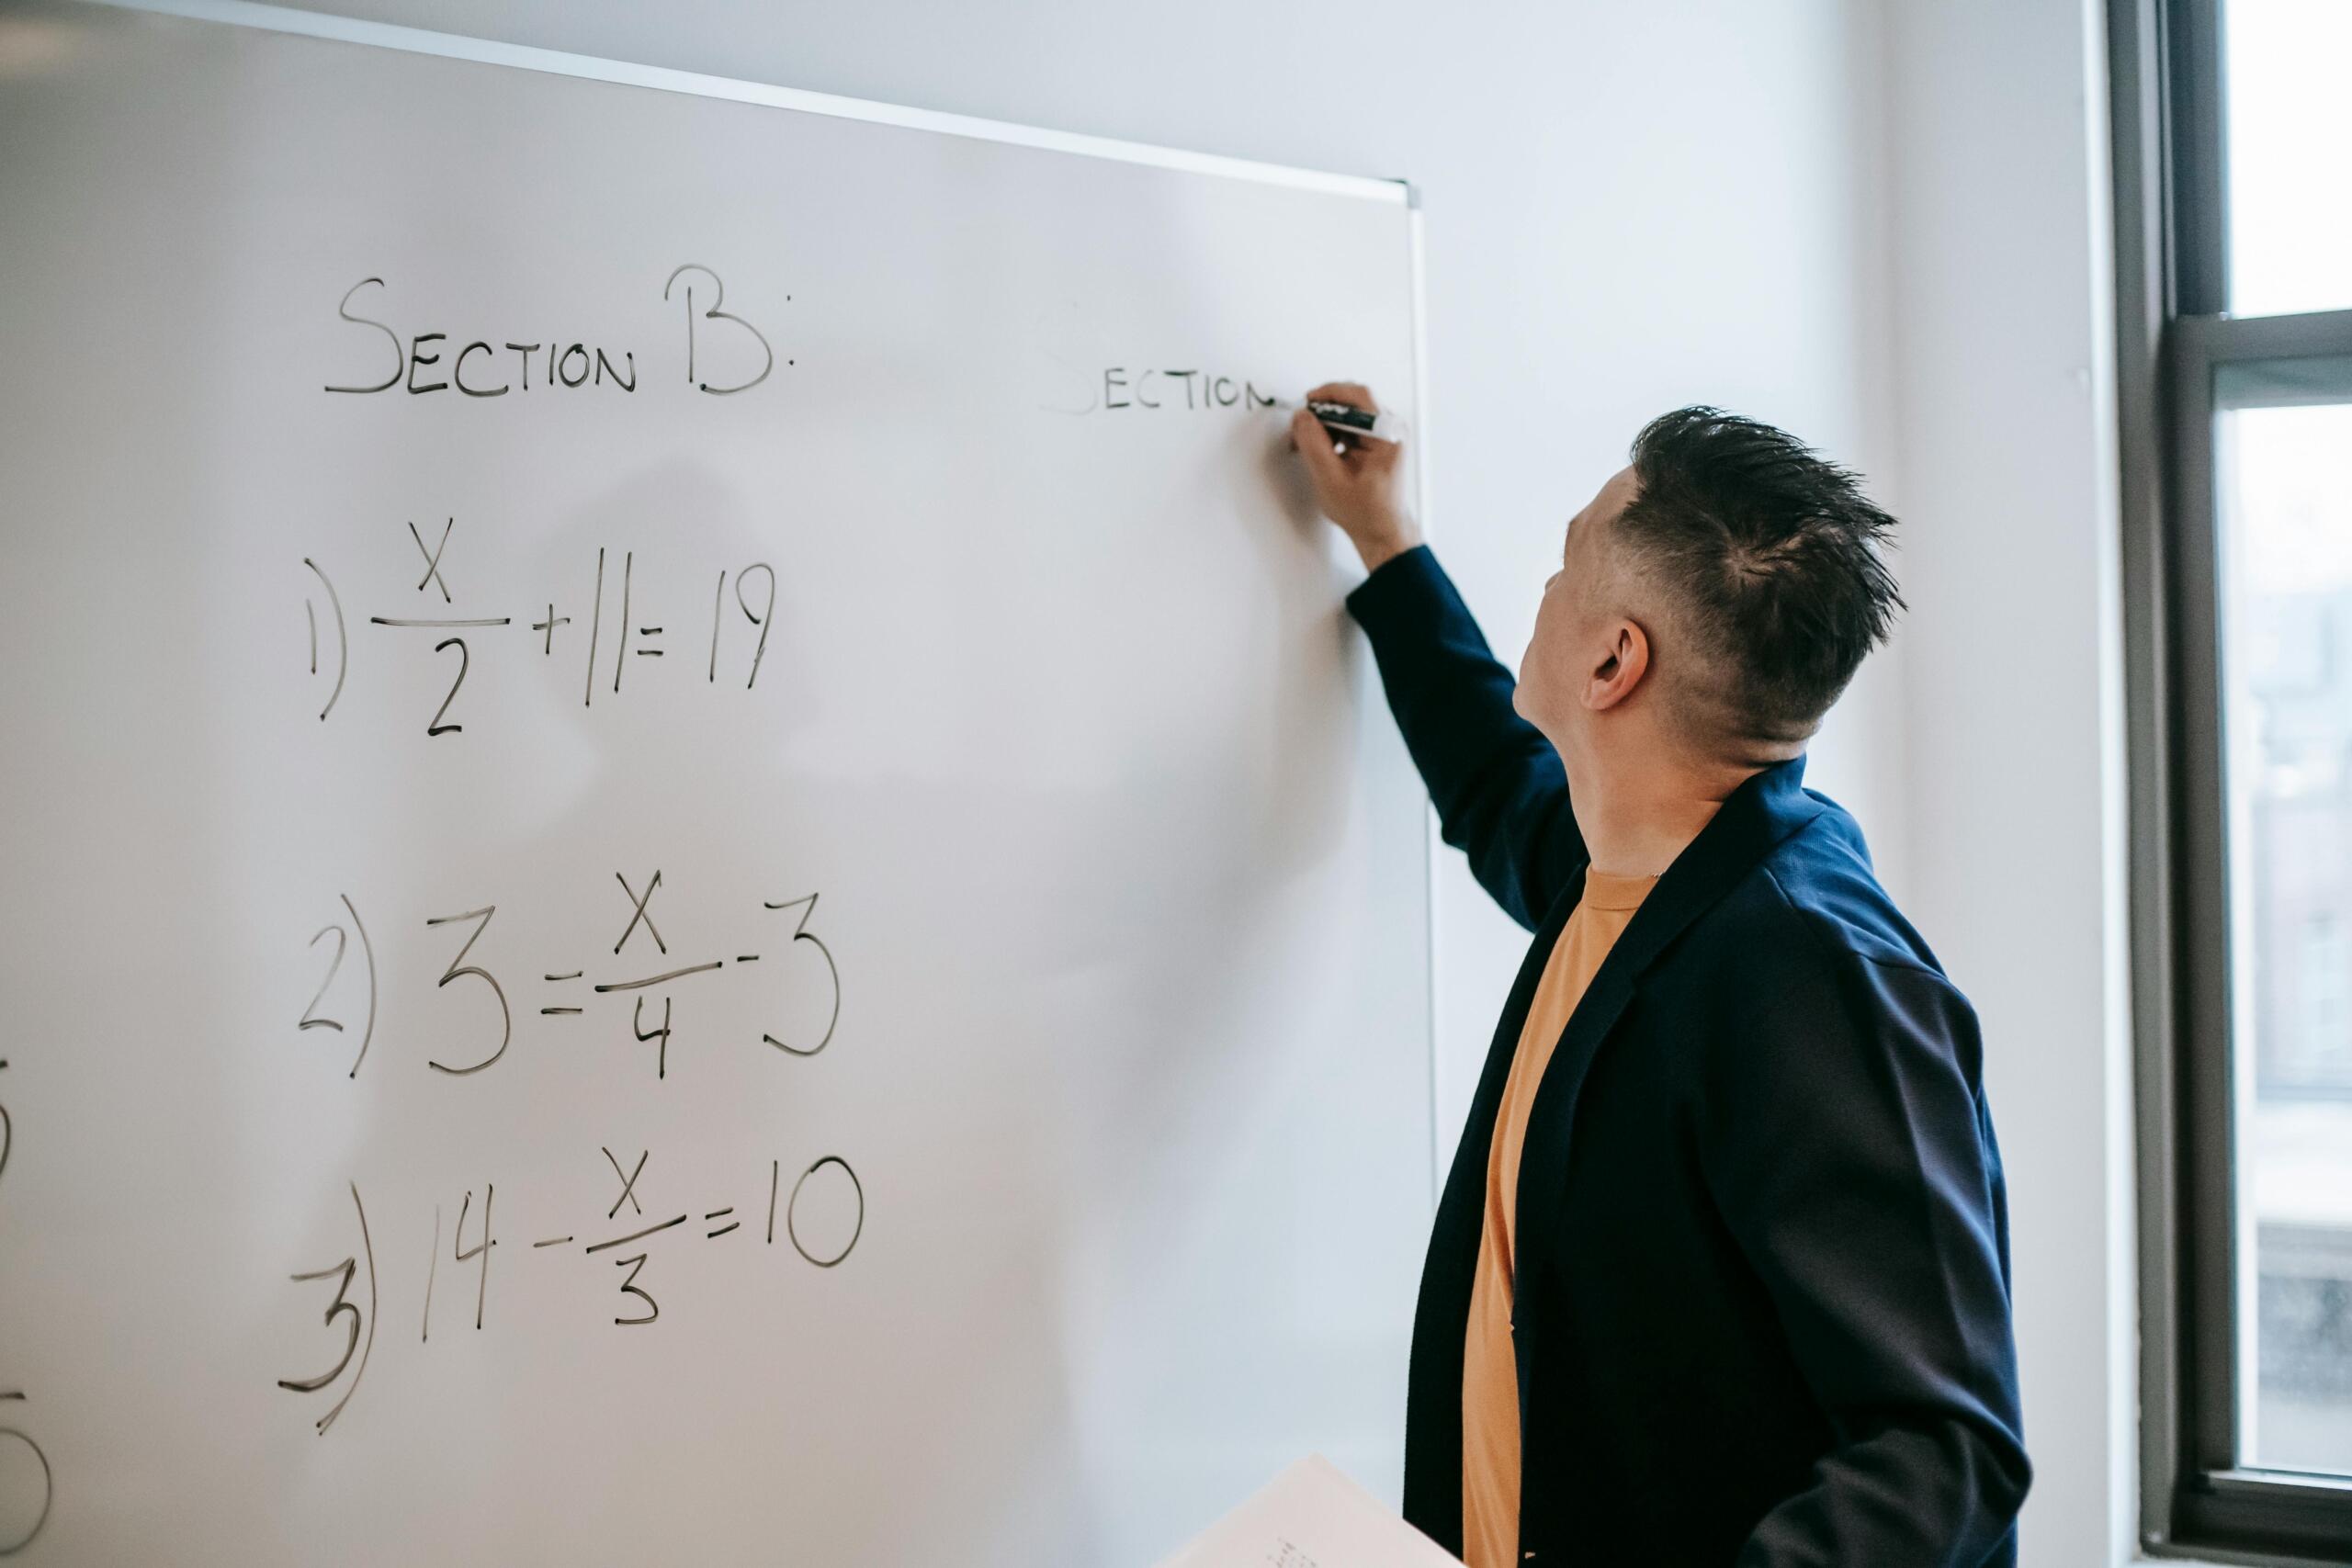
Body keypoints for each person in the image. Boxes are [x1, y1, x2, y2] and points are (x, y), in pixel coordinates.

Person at [1286, 387, 2030, 1567]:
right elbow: (1500, 788)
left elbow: (1941, 1455)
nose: (1546, 584)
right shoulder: (1638, 865)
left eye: (1566, 559)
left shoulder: (1818, 978)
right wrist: (1384, 536)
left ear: (1612, 660)